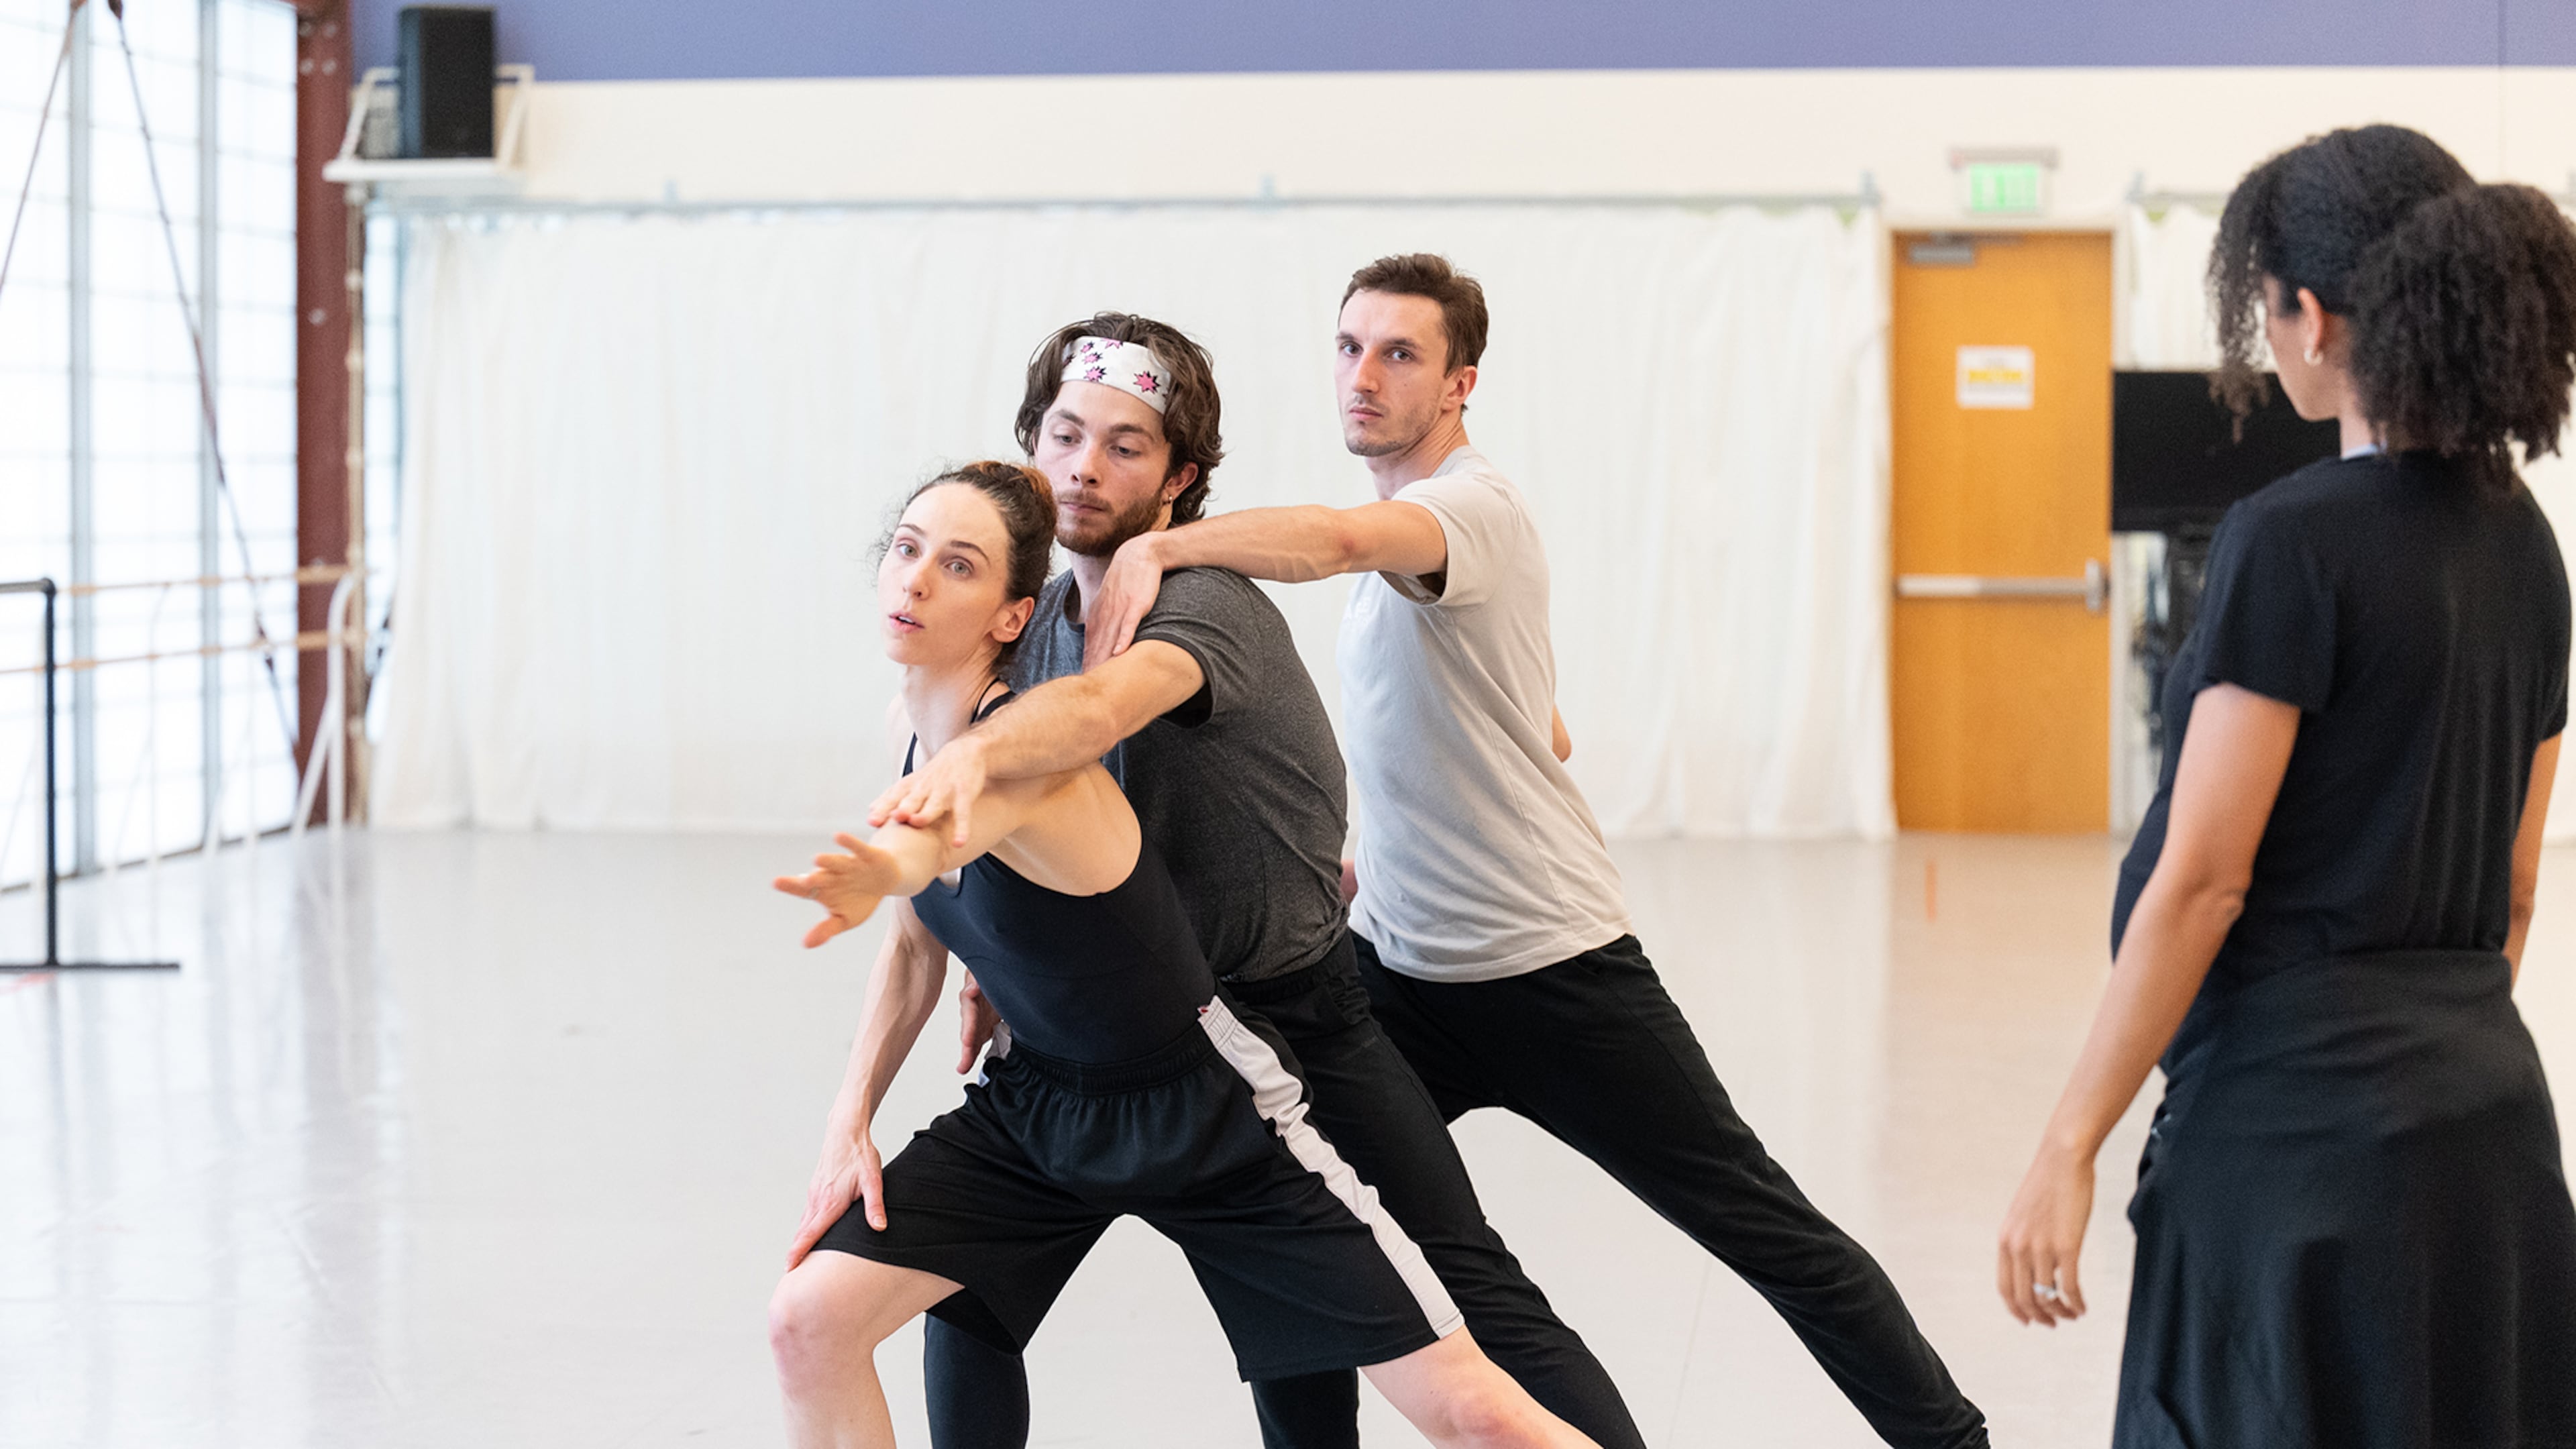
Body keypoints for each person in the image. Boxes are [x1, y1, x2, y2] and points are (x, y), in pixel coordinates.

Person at [960, 258, 1991, 1448]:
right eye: (1348, 347)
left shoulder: (1469, 508)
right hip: (1399, 978)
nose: (1364, 377)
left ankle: (1950, 1440)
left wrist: (1166, 550)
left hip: (1553, 976)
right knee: (1302, 1243)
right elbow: (1517, 716)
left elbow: (1347, 537)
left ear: (1462, 382)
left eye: (1400, 355)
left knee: (1761, 1231)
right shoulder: (1414, 552)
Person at [881, 317, 1647, 1449]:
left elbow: (1093, 718)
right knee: (967, 1300)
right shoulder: (1028, 621)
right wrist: (999, 960)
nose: (1087, 467)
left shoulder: (1208, 605)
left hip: (1290, 1028)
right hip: (1109, 1044)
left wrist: (956, 784)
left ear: (1182, 478)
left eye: (1129, 446)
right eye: (1066, 434)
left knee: (1461, 1310)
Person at [1994, 125, 2576, 1446]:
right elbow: (2517, 887)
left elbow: (2203, 882)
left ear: (2313, 318)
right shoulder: (2529, 546)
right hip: (2488, 1137)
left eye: (2265, 314)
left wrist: (2068, 1143)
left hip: (2296, 1153)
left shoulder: (2290, 540)